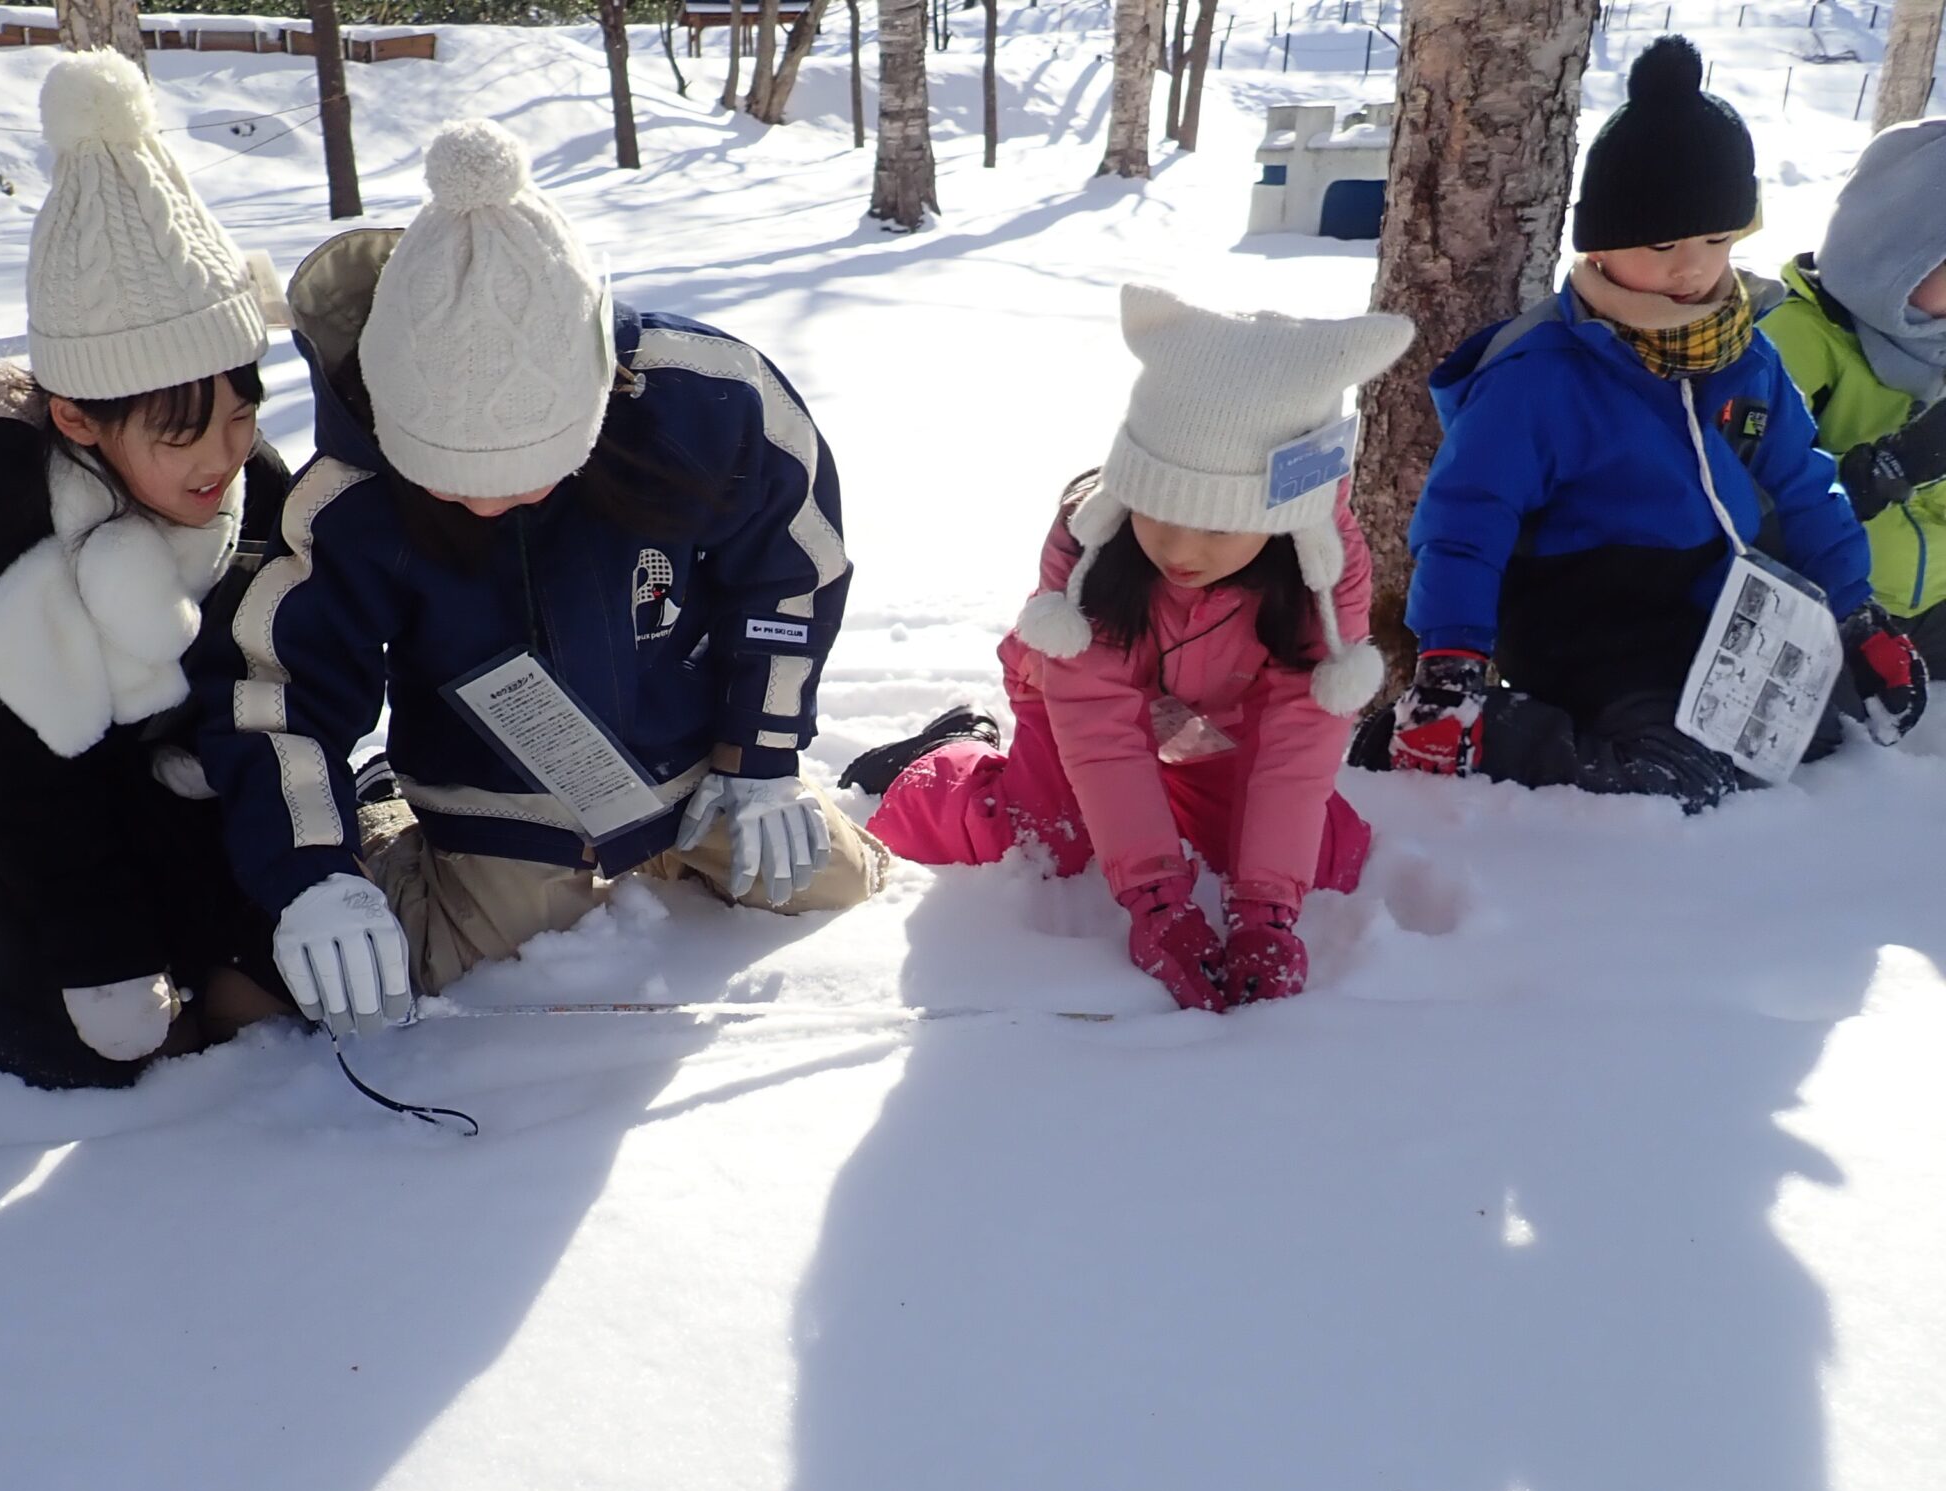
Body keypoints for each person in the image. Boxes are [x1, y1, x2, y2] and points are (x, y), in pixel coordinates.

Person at [189, 120, 887, 1033]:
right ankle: (384, 816)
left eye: (528, 475)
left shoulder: (710, 401)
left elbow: (791, 575)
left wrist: (759, 759)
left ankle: (897, 781)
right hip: (496, 795)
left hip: (695, 765)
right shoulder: (351, 495)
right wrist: (313, 875)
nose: (487, 506)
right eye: (451, 483)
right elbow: (281, 692)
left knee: (832, 885)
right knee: (430, 964)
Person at [1359, 35, 1925, 812]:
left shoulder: (1744, 352)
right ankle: (1486, 736)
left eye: (1717, 239)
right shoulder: (1541, 376)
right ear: (1602, 241)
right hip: (1583, 617)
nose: (1692, 266)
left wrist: (1855, 614)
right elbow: (1466, 522)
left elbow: (1803, 483)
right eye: (1662, 244)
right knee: (1675, 775)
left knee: (1812, 729)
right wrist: (1451, 658)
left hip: (1707, 603)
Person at [852, 286, 1411, 1012]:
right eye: (1158, 512)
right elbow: (1100, 723)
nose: (1180, 550)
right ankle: (948, 759)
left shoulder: (1322, 569)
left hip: (1213, 716)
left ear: (1282, 522)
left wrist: (1266, 912)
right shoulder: (1089, 539)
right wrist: (1157, 901)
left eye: (1218, 527)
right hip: (1071, 694)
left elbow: (1298, 736)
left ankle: (1170, 813)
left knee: (1325, 858)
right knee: (1050, 841)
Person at [0, 51, 294, 1089]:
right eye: (181, 434)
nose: (222, 456)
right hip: (46, 844)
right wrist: (103, 955)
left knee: (281, 1000)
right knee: (78, 1047)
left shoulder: (252, 485)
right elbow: (7, 776)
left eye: (241, 415)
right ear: (79, 420)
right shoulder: (8, 539)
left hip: (202, 819)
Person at [1757, 116, 1946, 672]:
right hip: (1839, 608)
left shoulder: (1935, 345)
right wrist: (1884, 470)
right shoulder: (1799, 341)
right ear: (1897, 251)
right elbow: (1752, 493)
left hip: (1931, 601)